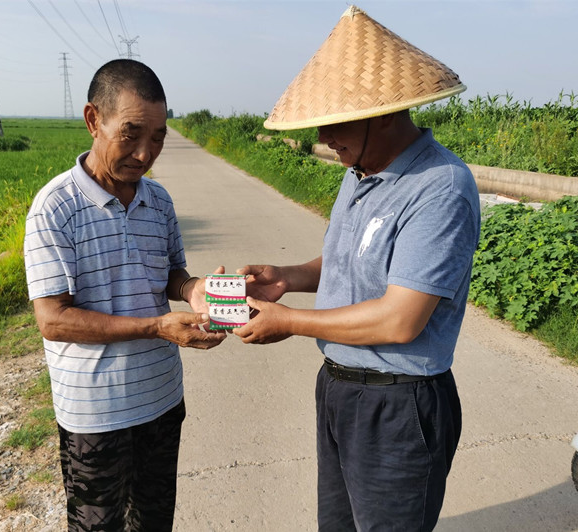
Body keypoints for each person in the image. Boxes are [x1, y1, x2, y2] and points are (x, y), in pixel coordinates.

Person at [233, 6, 480, 531]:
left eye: (336, 121)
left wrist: (290, 321)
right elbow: (349, 259)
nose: (325, 136)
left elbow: (400, 319)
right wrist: (289, 277)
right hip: (339, 389)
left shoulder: (440, 188)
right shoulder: (360, 171)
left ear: (384, 113)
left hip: (399, 406)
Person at [23, 59, 225, 532]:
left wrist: (194, 289)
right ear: (94, 120)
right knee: (97, 525)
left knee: (154, 521)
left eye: (158, 138)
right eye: (131, 134)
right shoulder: (54, 208)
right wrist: (156, 327)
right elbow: (53, 320)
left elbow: (170, 274)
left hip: (161, 399)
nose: (144, 153)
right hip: (95, 413)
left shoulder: (159, 201)